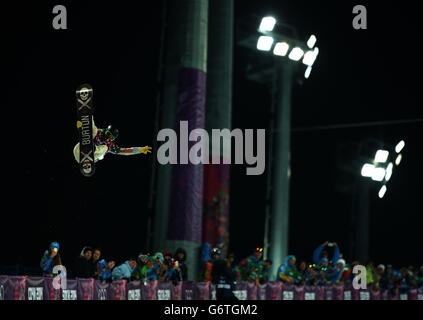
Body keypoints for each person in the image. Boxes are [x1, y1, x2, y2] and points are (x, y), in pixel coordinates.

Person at [73, 118, 152, 165]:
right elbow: (88, 131)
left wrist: (139, 150)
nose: (107, 138)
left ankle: (93, 150)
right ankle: (88, 116)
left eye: (110, 137)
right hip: (78, 149)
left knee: (105, 148)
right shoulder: (99, 132)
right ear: (106, 130)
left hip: (90, 158)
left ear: (112, 139)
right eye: (107, 134)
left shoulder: (110, 145)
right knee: (94, 131)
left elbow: (125, 151)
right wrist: (81, 127)